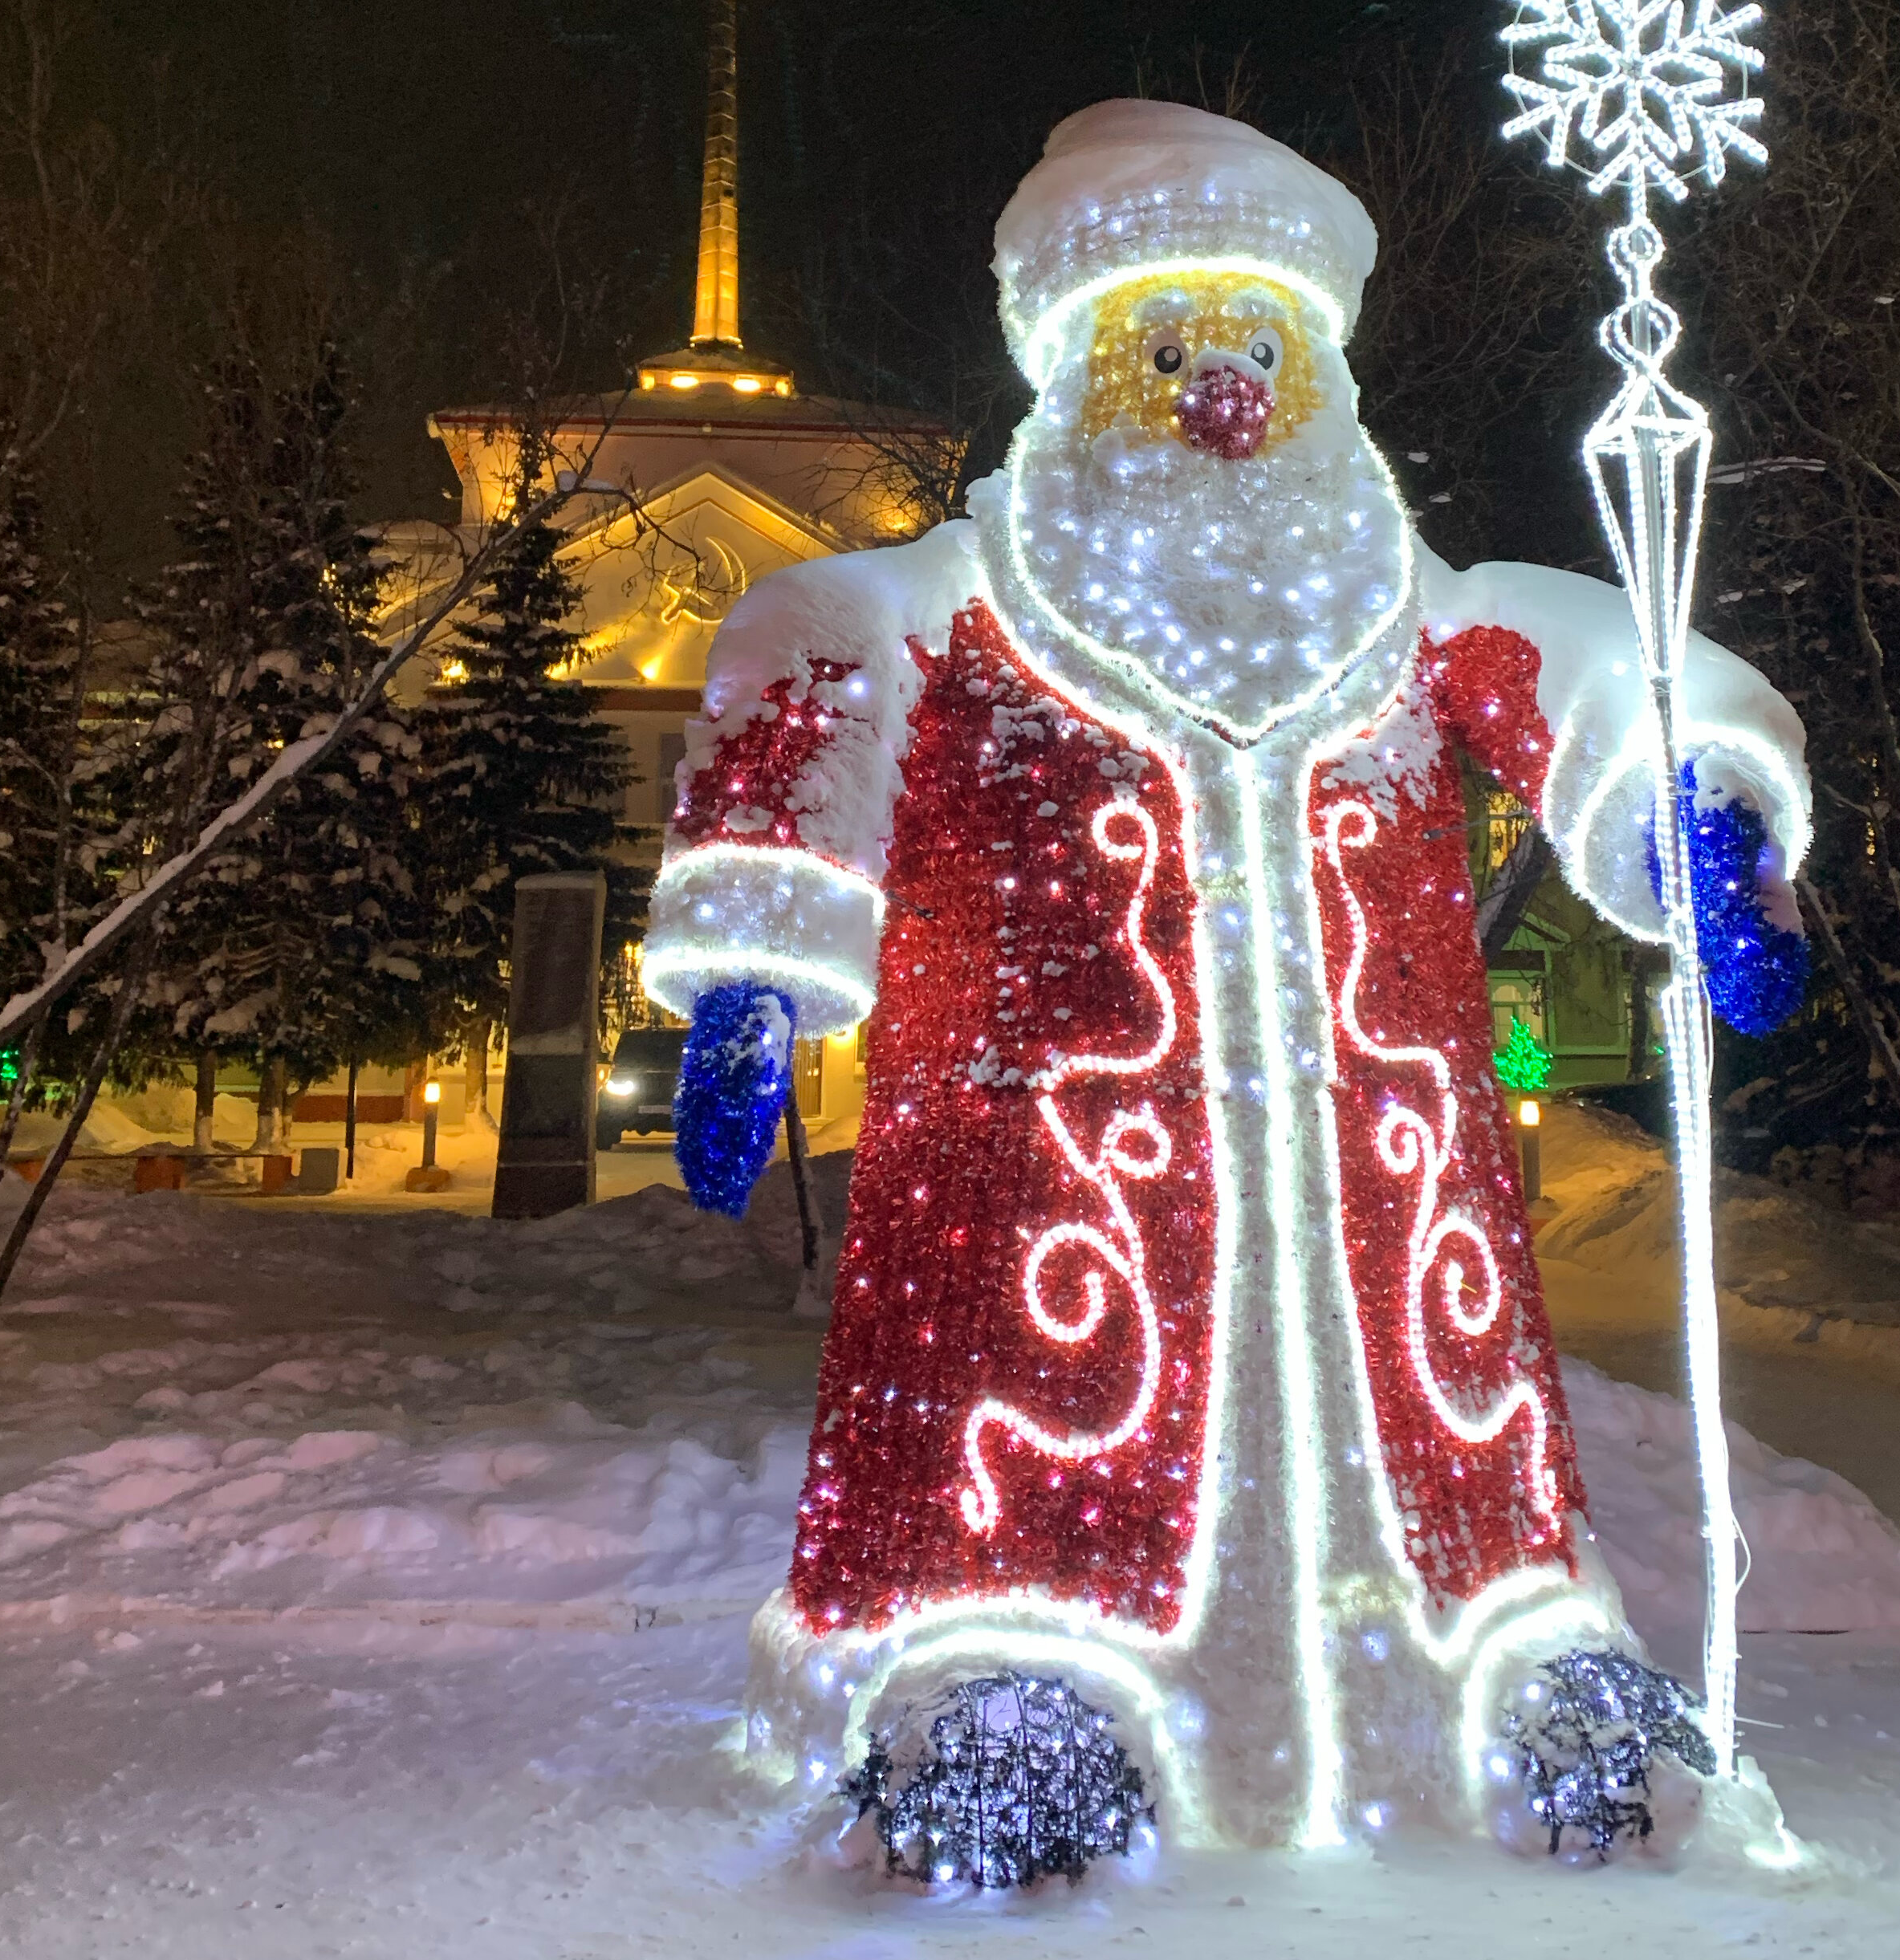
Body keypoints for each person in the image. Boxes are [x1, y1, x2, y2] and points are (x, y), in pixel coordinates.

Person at [645, 100, 1808, 1852]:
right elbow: (821, 661)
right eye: (1171, 345)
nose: (1223, 389)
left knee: (1450, 1429)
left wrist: (1689, 804)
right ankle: (1006, 1671)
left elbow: (1558, 652)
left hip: (1383, 1167)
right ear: (1082, 364)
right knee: (1022, 1433)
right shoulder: (970, 598)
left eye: (1260, 344)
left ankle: (1515, 1663)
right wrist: (754, 970)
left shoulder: (1395, 607)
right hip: (1039, 1164)